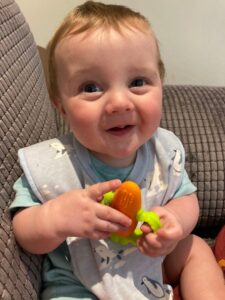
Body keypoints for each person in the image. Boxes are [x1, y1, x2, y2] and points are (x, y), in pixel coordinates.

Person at [10, 1, 225, 299]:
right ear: (61, 107)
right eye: (91, 87)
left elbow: (186, 197)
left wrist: (174, 221)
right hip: (81, 280)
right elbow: (23, 231)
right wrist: (55, 218)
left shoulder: (163, 150)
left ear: (161, 87)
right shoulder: (53, 162)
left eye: (138, 82)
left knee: (195, 248)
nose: (119, 103)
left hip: (152, 263)